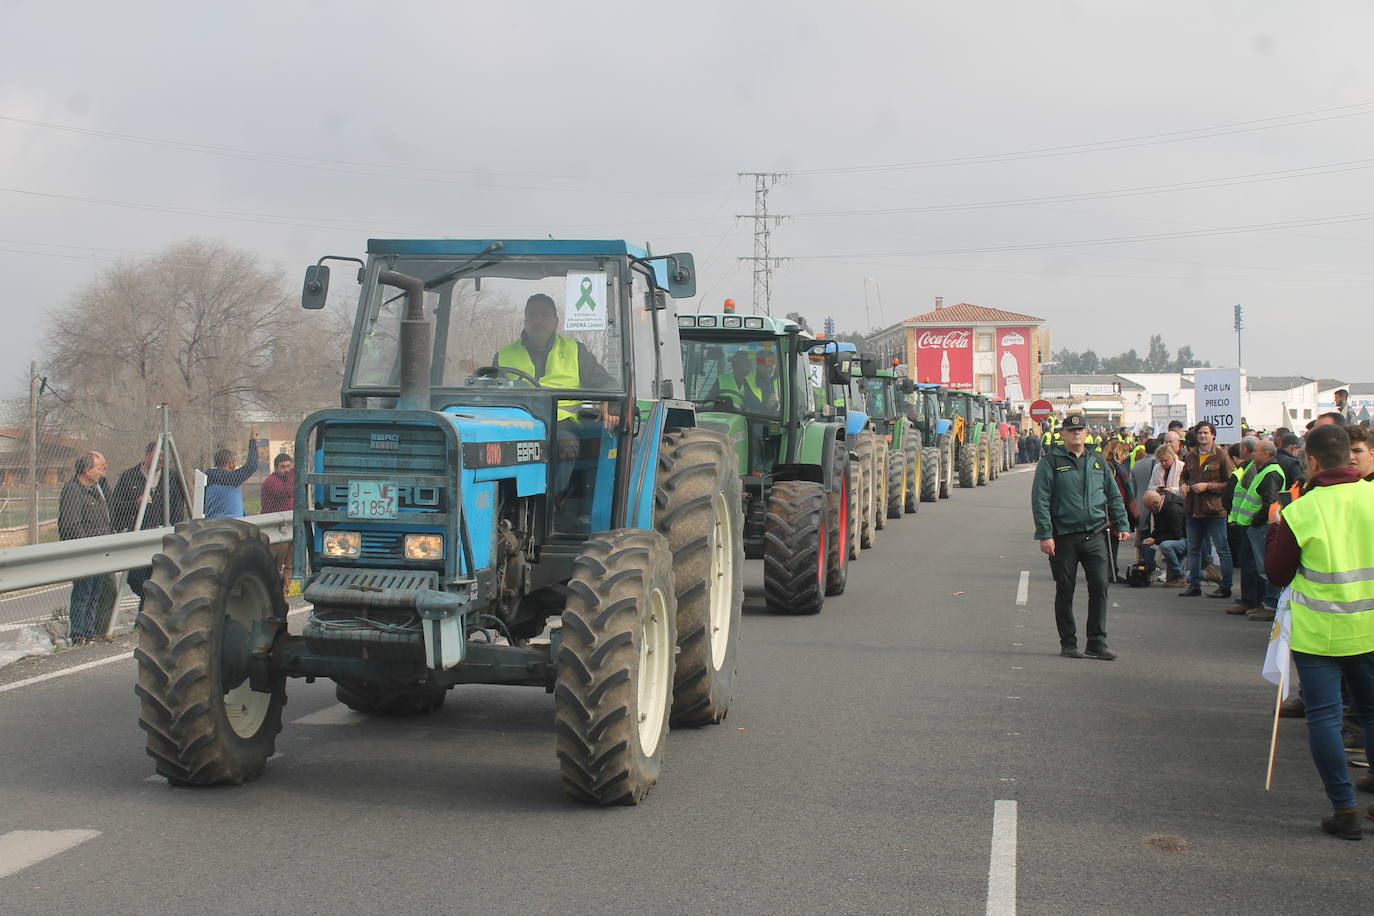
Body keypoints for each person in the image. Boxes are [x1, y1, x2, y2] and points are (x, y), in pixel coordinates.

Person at [1263, 424, 1374, 840]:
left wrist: (1276, 526)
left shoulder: (1301, 510)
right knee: (1372, 713)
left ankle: (1344, 808)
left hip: (1319, 633)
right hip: (1370, 629)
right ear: (1350, 456)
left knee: (1325, 719)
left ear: (1311, 461)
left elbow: (1277, 574)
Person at [1031, 412, 1130, 661]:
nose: (1076, 434)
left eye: (1080, 430)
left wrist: (1122, 523)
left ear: (1086, 434)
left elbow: (1113, 495)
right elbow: (1040, 500)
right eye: (1071, 430)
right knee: (1066, 589)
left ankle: (1097, 642)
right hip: (1064, 535)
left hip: (1095, 533)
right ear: (1062, 434)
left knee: (1100, 585)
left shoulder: (1097, 461)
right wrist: (1045, 534)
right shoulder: (1051, 462)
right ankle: (1069, 641)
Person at [111, 440, 190, 613]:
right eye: (158, 455)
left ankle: (145, 617)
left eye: (164, 456)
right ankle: (149, 608)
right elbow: (115, 507)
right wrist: (135, 504)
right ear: (148, 455)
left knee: (158, 578)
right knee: (136, 578)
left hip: (163, 536)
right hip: (138, 537)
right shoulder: (129, 476)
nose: (161, 459)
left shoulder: (171, 477)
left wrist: (175, 529)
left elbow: (177, 506)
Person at [58, 451, 114, 645]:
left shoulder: (98, 489)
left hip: (99, 552)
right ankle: (79, 634)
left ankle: (89, 632)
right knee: (83, 593)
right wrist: (86, 547)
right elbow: (69, 525)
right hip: (84, 553)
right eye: (99, 467)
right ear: (86, 470)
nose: (103, 471)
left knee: (95, 593)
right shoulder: (73, 490)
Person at [1179, 422, 1234, 599]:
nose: (1202, 436)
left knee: (1222, 549)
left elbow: (1230, 483)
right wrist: (1183, 485)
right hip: (1193, 510)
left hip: (1214, 511)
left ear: (1213, 435)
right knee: (1193, 549)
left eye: (1205, 433)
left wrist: (1208, 486)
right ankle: (1194, 585)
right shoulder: (1191, 455)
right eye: (1200, 433)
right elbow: (1185, 476)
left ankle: (1226, 586)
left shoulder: (1222, 456)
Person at [1234, 439, 1284, 621]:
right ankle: (1260, 601)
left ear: (1266, 454)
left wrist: (1256, 521)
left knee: (1264, 567)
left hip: (1261, 526)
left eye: (1256, 451)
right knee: (1254, 565)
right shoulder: (1263, 470)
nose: (1253, 453)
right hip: (1254, 525)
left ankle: (1270, 604)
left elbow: (1269, 502)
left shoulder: (1271, 473)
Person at [204, 426, 262, 518]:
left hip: (212, 523)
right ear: (230, 463)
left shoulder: (208, 477)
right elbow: (251, 466)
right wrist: (252, 441)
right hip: (231, 524)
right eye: (234, 461)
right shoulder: (230, 478)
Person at [259, 453, 295, 591]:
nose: (286, 470)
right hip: (277, 527)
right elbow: (287, 491)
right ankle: (271, 592)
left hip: (291, 525)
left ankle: (284, 592)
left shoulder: (290, 477)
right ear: (275, 468)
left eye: (288, 467)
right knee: (276, 564)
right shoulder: (271, 481)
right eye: (282, 467)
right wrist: (294, 474)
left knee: (291, 565)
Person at [1139, 489, 1187, 586]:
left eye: (1150, 508)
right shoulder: (1158, 508)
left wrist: (1155, 540)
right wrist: (1152, 537)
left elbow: (1176, 535)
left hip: (1185, 539)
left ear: (1156, 503)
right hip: (1178, 539)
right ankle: (1205, 575)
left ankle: (1180, 575)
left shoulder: (1174, 509)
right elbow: (1159, 528)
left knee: (1165, 545)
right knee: (1170, 579)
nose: (1150, 510)